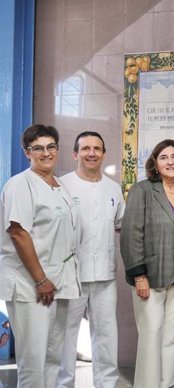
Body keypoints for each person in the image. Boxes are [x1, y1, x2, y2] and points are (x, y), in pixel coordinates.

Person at [0, 124, 80, 388]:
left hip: (59, 283)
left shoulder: (58, 184)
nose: (46, 153)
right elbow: (18, 232)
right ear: (27, 153)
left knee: (53, 356)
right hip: (32, 285)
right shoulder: (20, 184)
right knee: (33, 360)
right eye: (38, 148)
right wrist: (40, 280)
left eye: (51, 146)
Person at [120, 139, 174, 388]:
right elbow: (131, 233)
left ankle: (167, 383)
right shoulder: (143, 190)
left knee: (172, 336)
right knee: (151, 335)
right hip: (149, 277)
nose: (170, 161)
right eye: (164, 157)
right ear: (155, 163)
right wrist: (139, 275)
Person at [57, 131, 125, 388]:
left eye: (97, 148)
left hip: (105, 276)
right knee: (65, 335)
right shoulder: (61, 186)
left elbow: (119, 224)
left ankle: (106, 384)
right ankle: (63, 384)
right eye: (85, 148)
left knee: (107, 336)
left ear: (104, 154)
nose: (92, 153)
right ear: (75, 154)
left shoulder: (113, 188)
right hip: (70, 276)